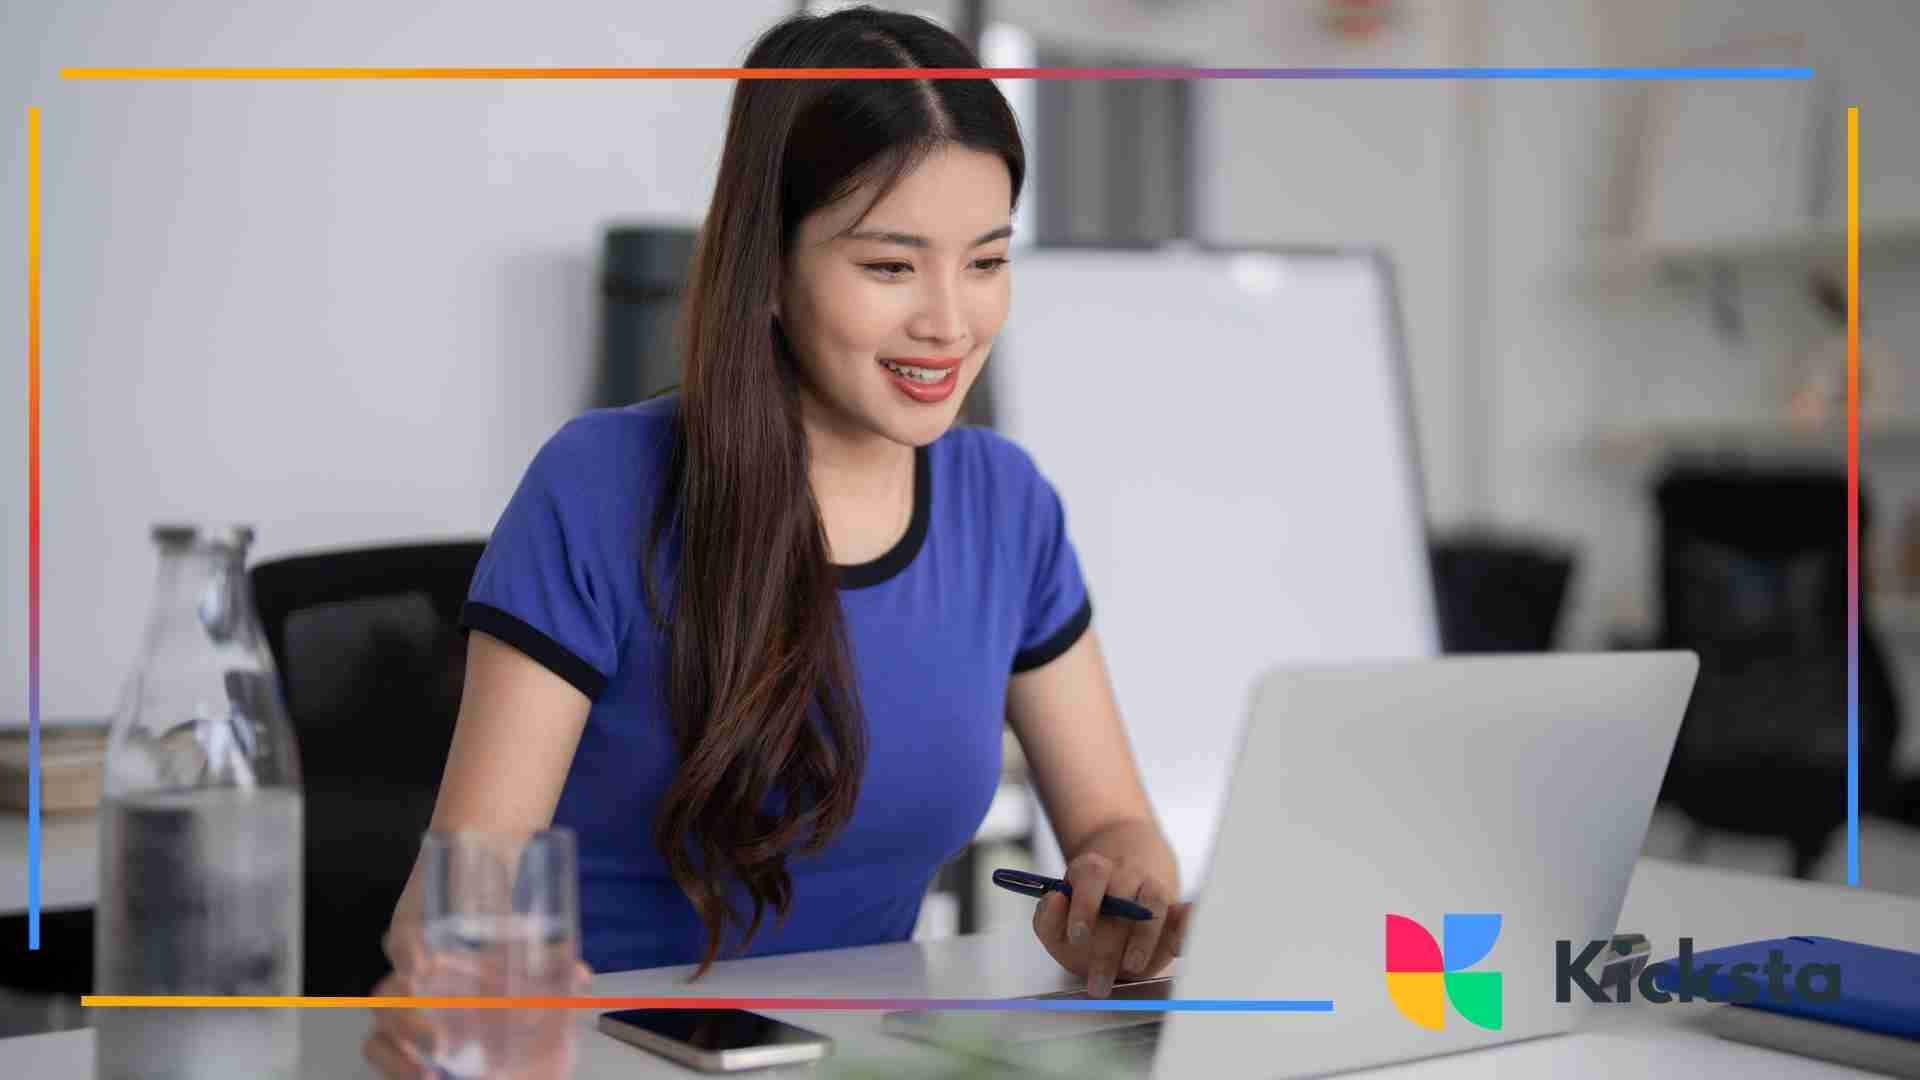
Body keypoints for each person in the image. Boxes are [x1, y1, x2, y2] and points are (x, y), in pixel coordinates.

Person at [364, 6, 1185, 1075]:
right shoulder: (600, 485)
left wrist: (1125, 885)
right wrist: (461, 985)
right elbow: (456, 898)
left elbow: (1117, 822)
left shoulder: (1006, 505)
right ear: (772, 263)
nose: (951, 321)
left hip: (864, 1061)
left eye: (985, 262)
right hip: (608, 1056)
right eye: (892, 267)